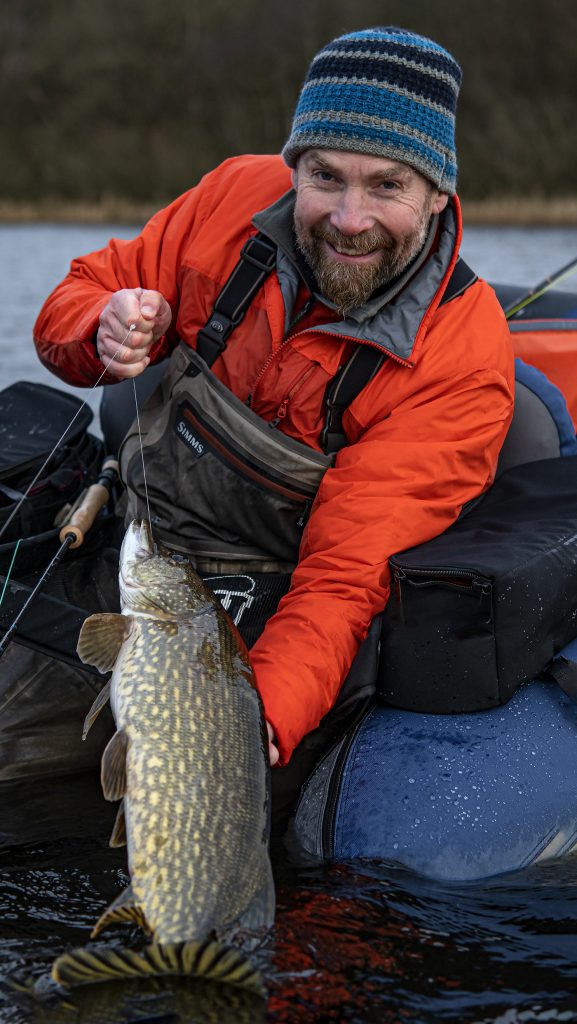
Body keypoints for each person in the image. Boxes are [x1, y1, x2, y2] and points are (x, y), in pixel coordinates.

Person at [34, 28, 514, 784]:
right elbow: (79, 296)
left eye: (386, 185)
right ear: (295, 167)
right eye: (325, 176)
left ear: (437, 194)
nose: (348, 218)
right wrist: (99, 325)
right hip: (139, 547)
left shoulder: (462, 357)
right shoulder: (230, 197)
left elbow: (344, 580)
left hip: (274, 601)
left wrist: (252, 721)